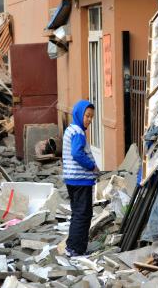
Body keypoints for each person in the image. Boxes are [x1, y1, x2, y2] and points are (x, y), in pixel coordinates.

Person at [62, 99, 99, 257]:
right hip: (80, 180)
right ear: (79, 114)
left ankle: (73, 246)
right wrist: (92, 166)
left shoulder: (71, 129)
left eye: (91, 117)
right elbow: (77, 154)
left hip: (72, 180)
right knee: (83, 214)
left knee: (77, 213)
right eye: (87, 116)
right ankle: (76, 249)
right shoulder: (78, 133)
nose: (89, 120)